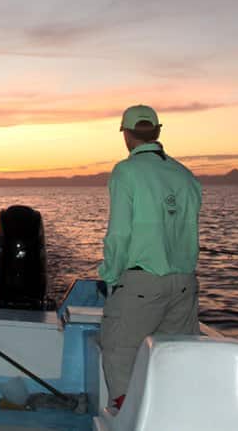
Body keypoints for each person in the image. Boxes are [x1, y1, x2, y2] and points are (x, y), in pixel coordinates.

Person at [98, 104, 202, 410]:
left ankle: (128, 417)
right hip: (184, 285)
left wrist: (110, 276)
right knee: (173, 359)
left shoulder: (126, 171)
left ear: (127, 135)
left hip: (142, 283)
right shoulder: (185, 175)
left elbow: (119, 233)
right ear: (157, 132)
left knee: (119, 352)